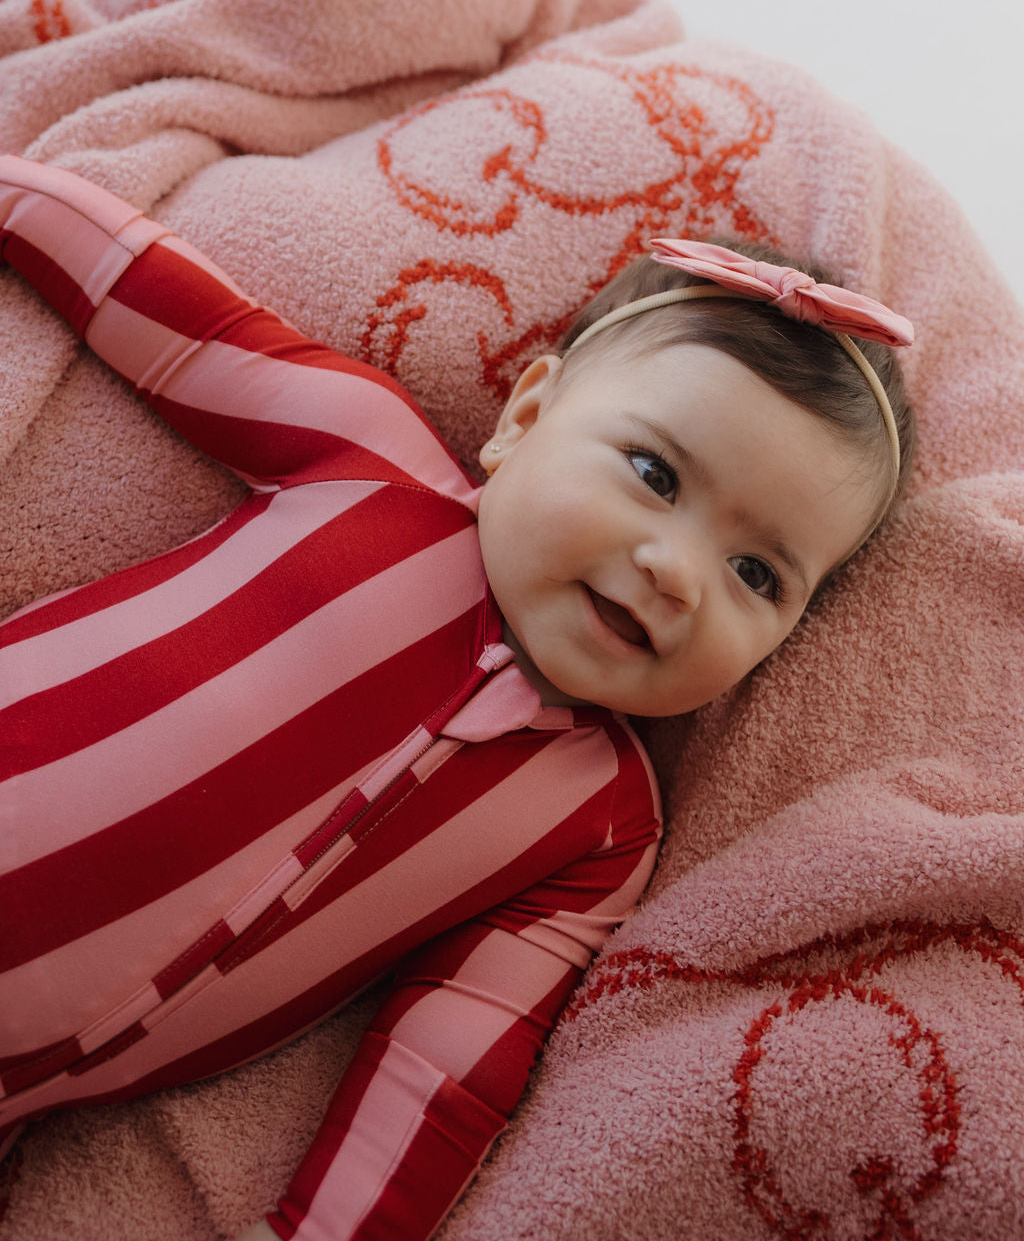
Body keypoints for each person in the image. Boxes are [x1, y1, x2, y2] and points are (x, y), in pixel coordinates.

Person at [0, 153, 914, 1241]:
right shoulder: (369, 469)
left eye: (758, 575)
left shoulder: (599, 829)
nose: (676, 569)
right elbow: (167, 307)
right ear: (526, 415)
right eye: (655, 476)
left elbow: (442, 1071)